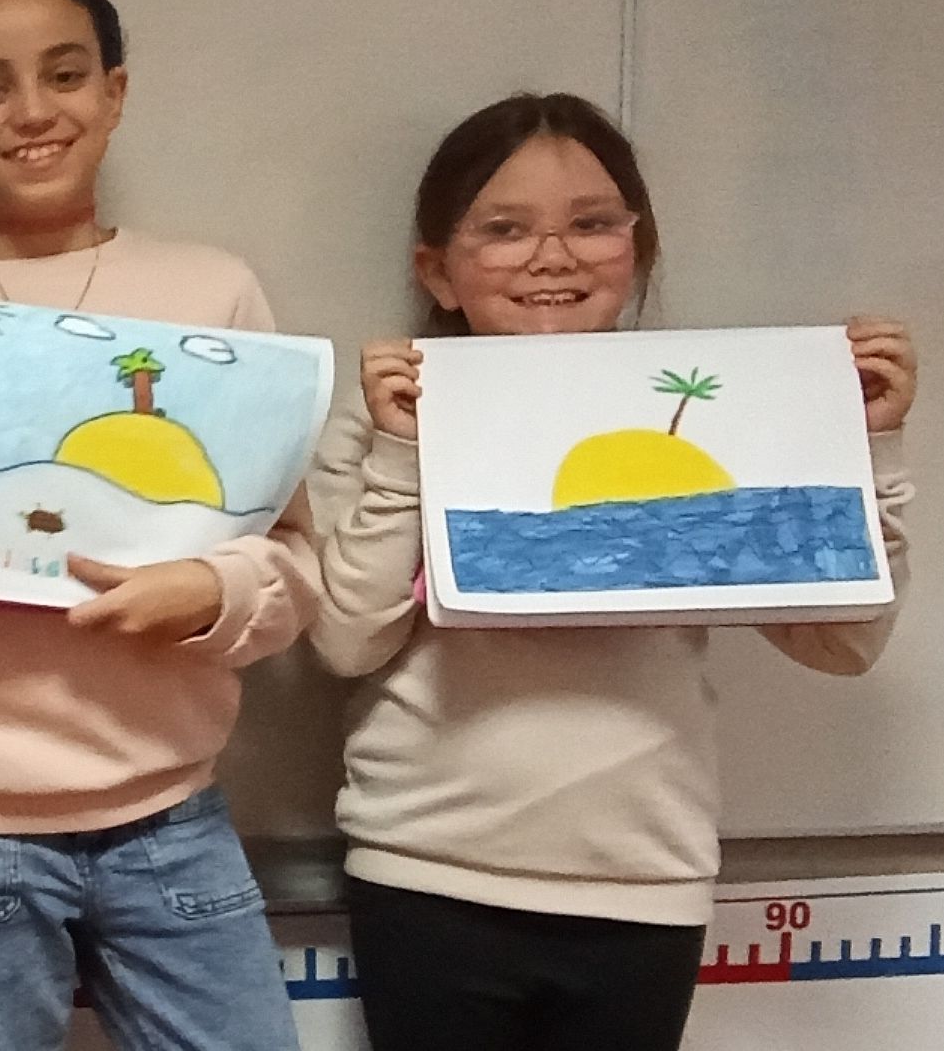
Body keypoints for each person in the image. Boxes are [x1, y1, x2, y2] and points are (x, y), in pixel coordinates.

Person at [314, 91, 917, 1051]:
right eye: (504, 230)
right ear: (436, 269)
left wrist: (868, 448)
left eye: (591, 223)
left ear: (636, 248)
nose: (551, 256)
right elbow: (347, 638)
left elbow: (842, 641)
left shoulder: (716, 417)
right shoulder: (387, 413)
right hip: (426, 869)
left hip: (645, 881)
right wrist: (399, 454)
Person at [0, 0, 312, 1051]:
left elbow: (294, 568)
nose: (32, 112)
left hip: (171, 809)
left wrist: (207, 592)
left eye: (64, 73)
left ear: (114, 91)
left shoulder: (212, 292)